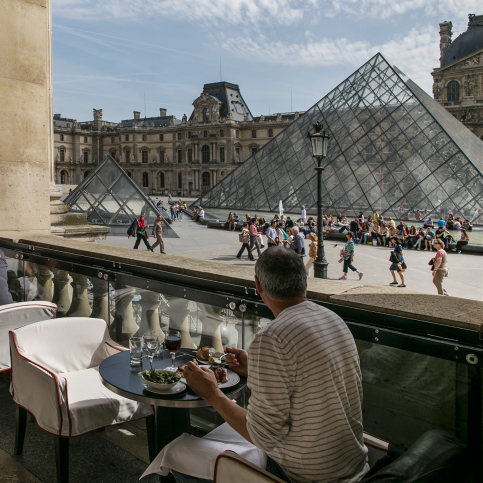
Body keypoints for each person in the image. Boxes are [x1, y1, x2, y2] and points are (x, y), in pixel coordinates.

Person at [177, 248, 369, 483]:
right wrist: (256, 368)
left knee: (178, 458)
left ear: (258, 285)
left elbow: (261, 436)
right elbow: (308, 385)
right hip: (354, 467)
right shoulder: (332, 319)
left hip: (304, 476)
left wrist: (212, 393)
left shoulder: (273, 338)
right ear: (303, 280)